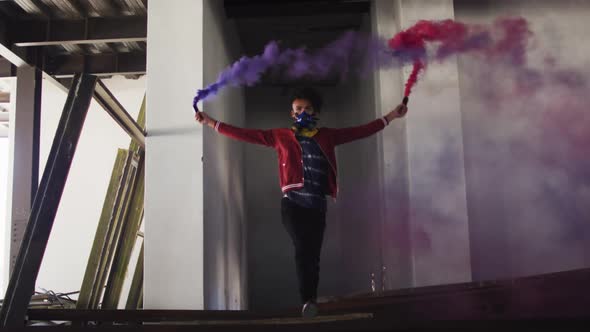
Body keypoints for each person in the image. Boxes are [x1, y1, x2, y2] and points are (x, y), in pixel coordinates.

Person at [194, 87, 408, 318]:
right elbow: (247, 134)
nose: (303, 112)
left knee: (313, 256)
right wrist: (211, 123)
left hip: (317, 206)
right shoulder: (280, 136)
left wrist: (391, 116)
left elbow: (359, 131)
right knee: (303, 249)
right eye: (298, 109)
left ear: (315, 111)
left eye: (307, 109)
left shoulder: (327, 136)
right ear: (292, 113)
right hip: (293, 205)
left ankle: (310, 302)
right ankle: (307, 300)